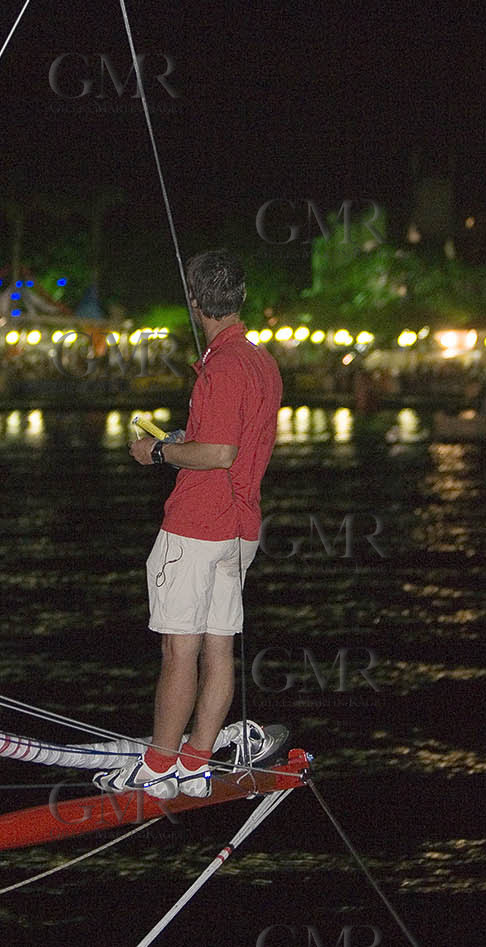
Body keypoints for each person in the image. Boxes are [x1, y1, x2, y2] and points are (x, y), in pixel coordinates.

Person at [98, 249, 281, 799]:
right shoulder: (260, 361)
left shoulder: (221, 367)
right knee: (219, 647)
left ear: (195, 303)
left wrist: (158, 453)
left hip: (198, 526)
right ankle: (196, 763)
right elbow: (232, 441)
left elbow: (221, 450)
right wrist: (185, 440)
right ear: (241, 298)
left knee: (180, 650)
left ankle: (157, 769)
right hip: (241, 528)